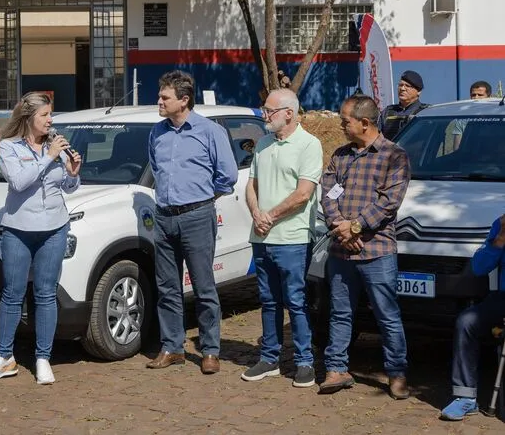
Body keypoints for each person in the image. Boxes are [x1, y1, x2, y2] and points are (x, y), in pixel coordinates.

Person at [0, 92, 81, 384]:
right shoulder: (8, 147)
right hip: (19, 229)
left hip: (54, 227)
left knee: (46, 293)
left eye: (51, 115)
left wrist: (73, 173)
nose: (50, 120)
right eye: (45, 115)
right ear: (29, 118)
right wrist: (47, 158)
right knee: (12, 293)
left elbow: (68, 187)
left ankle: (43, 358)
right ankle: (4, 357)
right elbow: (19, 182)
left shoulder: (55, 145)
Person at [145, 71, 238, 375]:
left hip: (197, 216)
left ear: (184, 100)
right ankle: (172, 347)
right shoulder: (156, 132)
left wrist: (202, 198)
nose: (158, 101)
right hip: (164, 217)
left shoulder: (210, 131)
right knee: (167, 287)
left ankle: (210, 350)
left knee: (203, 286)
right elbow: (157, 169)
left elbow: (228, 175)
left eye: (164, 97)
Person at [319, 95, 411, 399]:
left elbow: (389, 202)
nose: (341, 126)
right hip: (341, 251)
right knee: (340, 312)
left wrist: (355, 226)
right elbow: (327, 195)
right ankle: (336, 369)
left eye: (345, 120)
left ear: (365, 122)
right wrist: (341, 227)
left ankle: (396, 373)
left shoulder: (394, 156)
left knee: (387, 315)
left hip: (377, 252)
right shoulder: (340, 155)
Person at [242, 88, 323, 388]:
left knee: (296, 301)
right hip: (261, 237)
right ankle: (269, 357)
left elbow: (303, 194)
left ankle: (304, 361)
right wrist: (256, 213)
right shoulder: (263, 144)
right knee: (268, 300)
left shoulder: (309, 145)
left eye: (269, 111)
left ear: (288, 113)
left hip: (291, 237)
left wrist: (270, 216)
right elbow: (251, 186)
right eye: (264, 110)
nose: (264, 115)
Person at [439, 214, 505, 421]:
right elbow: (478, 267)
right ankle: (465, 397)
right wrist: (500, 238)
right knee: (467, 322)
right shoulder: (500, 223)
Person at [378, 70, 428, 141]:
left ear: (419, 91)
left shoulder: (425, 112)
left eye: (407, 86)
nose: (402, 89)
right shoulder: (388, 111)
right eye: (400, 85)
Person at [450, 81, 492, 149]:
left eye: (480, 95)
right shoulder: (462, 120)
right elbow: (457, 148)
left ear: (489, 97)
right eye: (473, 95)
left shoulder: (498, 116)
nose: (476, 98)